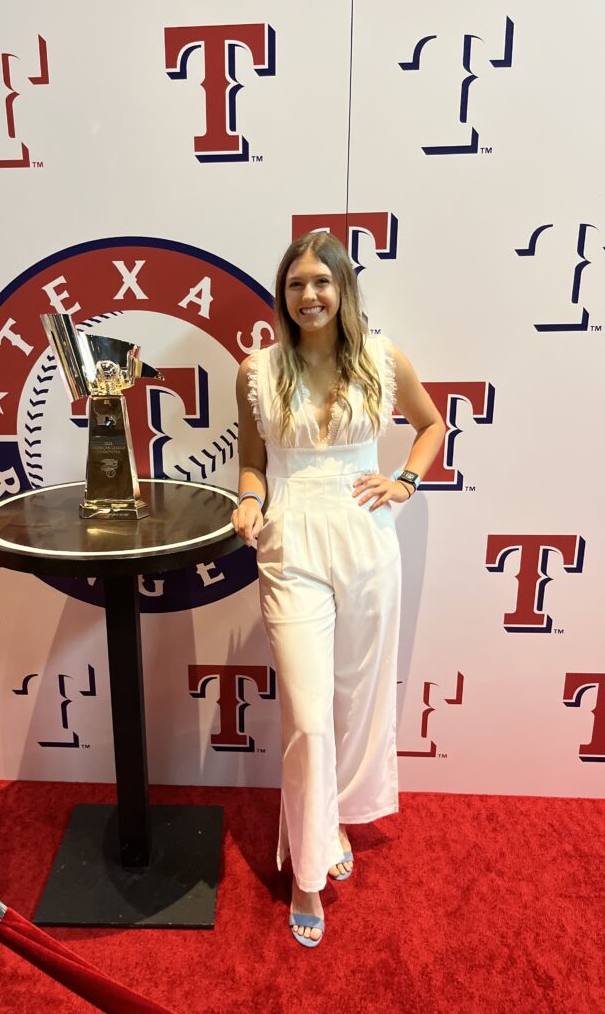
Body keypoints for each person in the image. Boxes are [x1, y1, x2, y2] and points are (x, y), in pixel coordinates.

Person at [232, 232, 445, 948]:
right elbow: (253, 463)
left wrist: (406, 480)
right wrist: (250, 502)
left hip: (366, 543)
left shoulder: (384, 360)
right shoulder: (257, 370)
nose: (309, 295)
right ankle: (307, 871)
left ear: (344, 289)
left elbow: (431, 424)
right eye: (296, 283)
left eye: (322, 281)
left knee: (356, 703)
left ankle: (333, 819)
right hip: (290, 546)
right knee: (308, 716)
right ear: (282, 294)